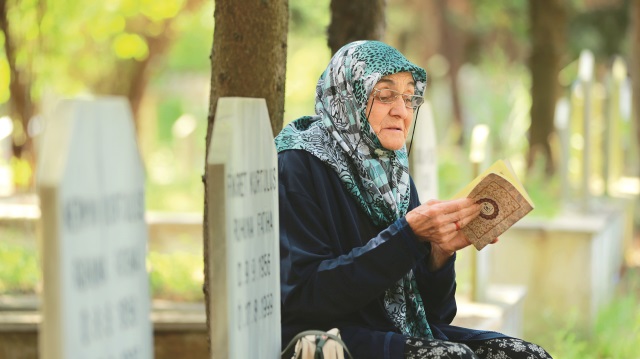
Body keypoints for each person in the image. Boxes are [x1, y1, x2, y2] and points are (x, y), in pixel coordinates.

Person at [275, 40, 552, 359]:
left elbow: (435, 314)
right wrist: (408, 236)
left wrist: (439, 253)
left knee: (526, 354)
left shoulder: (392, 172)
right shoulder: (299, 164)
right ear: (347, 96)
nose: (402, 111)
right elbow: (307, 296)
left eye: (409, 98)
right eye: (385, 95)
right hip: (324, 334)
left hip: (388, 326)